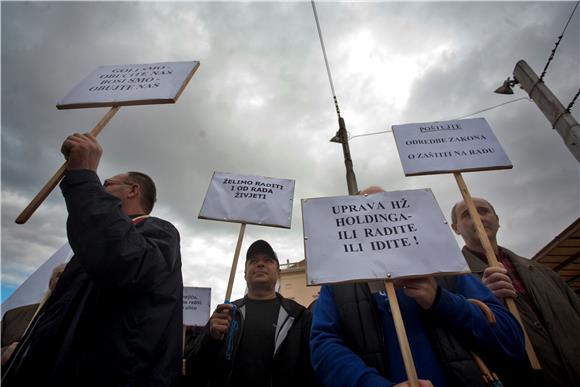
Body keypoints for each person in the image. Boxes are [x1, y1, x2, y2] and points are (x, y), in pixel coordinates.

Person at [2, 133, 183, 387]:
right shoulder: (98, 245)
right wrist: (25, 352)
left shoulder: (158, 231)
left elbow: (124, 262)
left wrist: (85, 178)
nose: (100, 188)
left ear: (133, 190)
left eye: (106, 183)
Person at [310, 186, 526, 387]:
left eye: (383, 207)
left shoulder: (444, 268)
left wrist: (441, 299)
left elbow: (511, 339)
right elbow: (324, 347)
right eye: (362, 212)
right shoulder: (337, 283)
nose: (374, 219)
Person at [451, 197, 580, 387]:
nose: (478, 218)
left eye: (483, 211)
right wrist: (486, 301)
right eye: (467, 214)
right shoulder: (452, 280)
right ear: (456, 228)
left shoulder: (544, 272)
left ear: (497, 219)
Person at [184, 240, 319, 387]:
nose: (260, 264)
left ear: (279, 272)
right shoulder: (225, 313)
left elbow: (313, 370)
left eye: (268, 260)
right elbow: (194, 368)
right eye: (253, 261)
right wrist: (211, 339)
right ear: (245, 274)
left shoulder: (299, 317)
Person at [1, 263, 66, 366]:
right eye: (60, 275)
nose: (65, 278)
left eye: (71, 276)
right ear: (50, 283)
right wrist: (5, 352)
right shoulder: (13, 316)